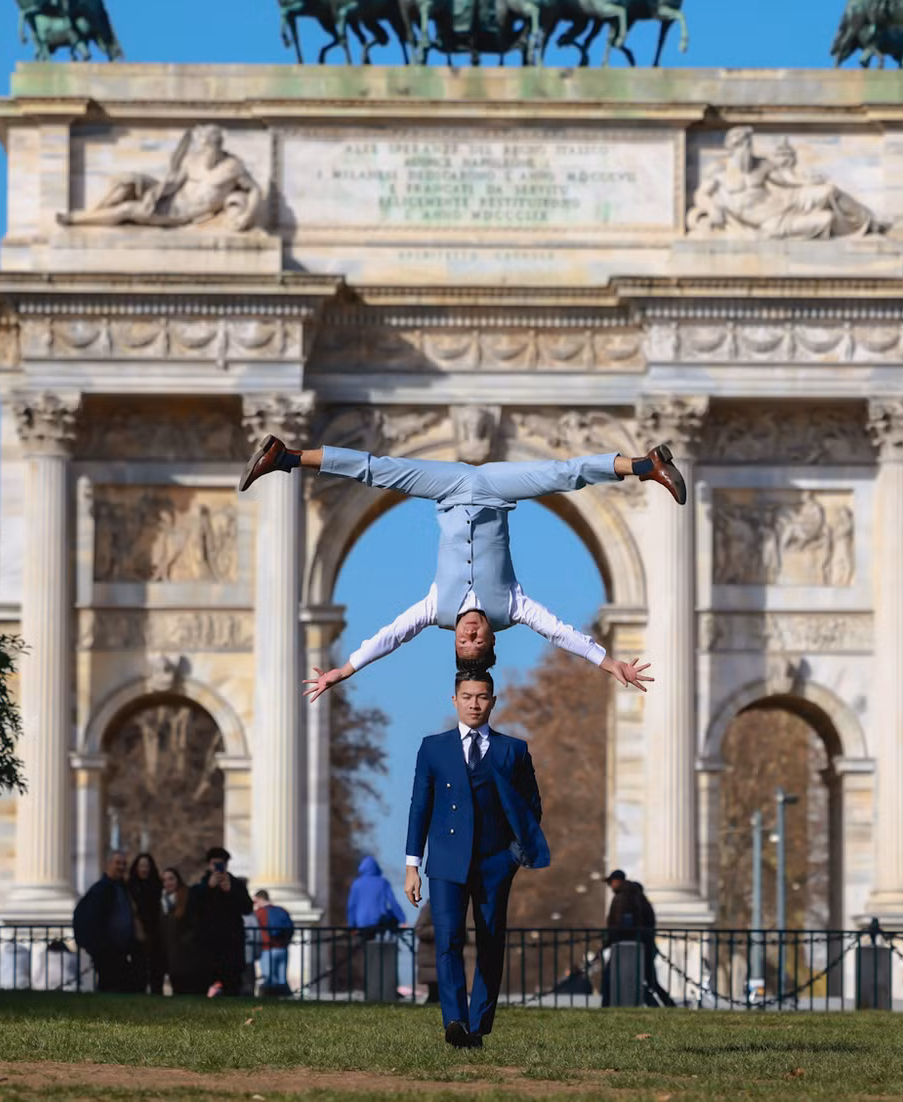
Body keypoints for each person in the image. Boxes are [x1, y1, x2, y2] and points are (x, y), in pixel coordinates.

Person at [241, 440, 681, 699]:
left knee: (378, 471)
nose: (470, 633)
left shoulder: (436, 609)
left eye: (463, 640)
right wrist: (608, 662)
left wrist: (345, 670)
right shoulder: (513, 608)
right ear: (492, 638)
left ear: (453, 637)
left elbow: (391, 635)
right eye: (477, 640)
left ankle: (286, 457)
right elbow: (560, 633)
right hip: (495, 490)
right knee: (563, 474)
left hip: (448, 489)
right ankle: (646, 465)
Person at [405, 666, 548, 1048]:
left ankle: (478, 1026)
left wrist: (513, 857)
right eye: (467, 697)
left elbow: (532, 807)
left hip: (494, 863)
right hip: (445, 862)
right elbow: (420, 806)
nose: (474, 704)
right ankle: (455, 1021)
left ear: (493, 701)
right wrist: (412, 865)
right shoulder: (433, 748)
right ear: (454, 701)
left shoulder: (513, 750)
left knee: (490, 942)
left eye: (482, 697)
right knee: (448, 939)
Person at [603, 870, 675, 1008]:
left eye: (611, 882)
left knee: (614, 977)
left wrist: (612, 938)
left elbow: (621, 922)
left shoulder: (625, 897)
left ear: (617, 881)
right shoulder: (635, 897)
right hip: (640, 943)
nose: (610, 886)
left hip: (628, 944)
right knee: (647, 979)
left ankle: (607, 1005)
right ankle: (665, 1004)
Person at [73, 850, 140, 993]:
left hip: (119, 949)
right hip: (108, 950)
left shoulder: (122, 888)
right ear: (108, 864)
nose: (121, 867)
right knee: (112, 987)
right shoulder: (100, 890)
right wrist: (101, 946)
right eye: (118, 863)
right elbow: (90, 919)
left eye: (124, 864)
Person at [192, 846, 254, 997]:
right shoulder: (201, 885)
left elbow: (247, 908)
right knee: (203, 982)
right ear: (209, 865)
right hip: (208, 943)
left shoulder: (236, 884)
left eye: (221, 864)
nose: (218, 868)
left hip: (231, 943)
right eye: (215, 864)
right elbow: (193, 906)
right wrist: (208, 888)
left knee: (232, 985)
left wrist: (231, 891)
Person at [158, 867, 203, 995]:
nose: (168, 883)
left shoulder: (188, 896)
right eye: (165, 880)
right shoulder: (163, 902)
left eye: (171, 879)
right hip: (171, 956)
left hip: (188, 956)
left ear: (178, 880)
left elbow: (195, 923)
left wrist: (185, 941)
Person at [127, 852, 166, 994]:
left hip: (156, 934)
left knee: (157, 971)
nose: (144, 869)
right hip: (137, 934)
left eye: (147, 866)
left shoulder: (158, 886)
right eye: (141, 866)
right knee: (139, 971)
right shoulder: (130, 886)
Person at [252, 889, 295, 996]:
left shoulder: (259, 913)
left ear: (260, 899)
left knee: (269, 979)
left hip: (267, 949)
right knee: (282, 979)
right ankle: (284, 1001)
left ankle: (271, 1001)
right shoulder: (281, 911)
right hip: (282, 948)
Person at [346, 856, 406, 935]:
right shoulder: (383, 882)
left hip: (361, 923)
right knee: (391, 916)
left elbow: (351, 906)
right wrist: (402, 920)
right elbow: (393, 902)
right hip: (378, 922)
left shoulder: (356, 884)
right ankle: (391, 938)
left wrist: (352, 926)